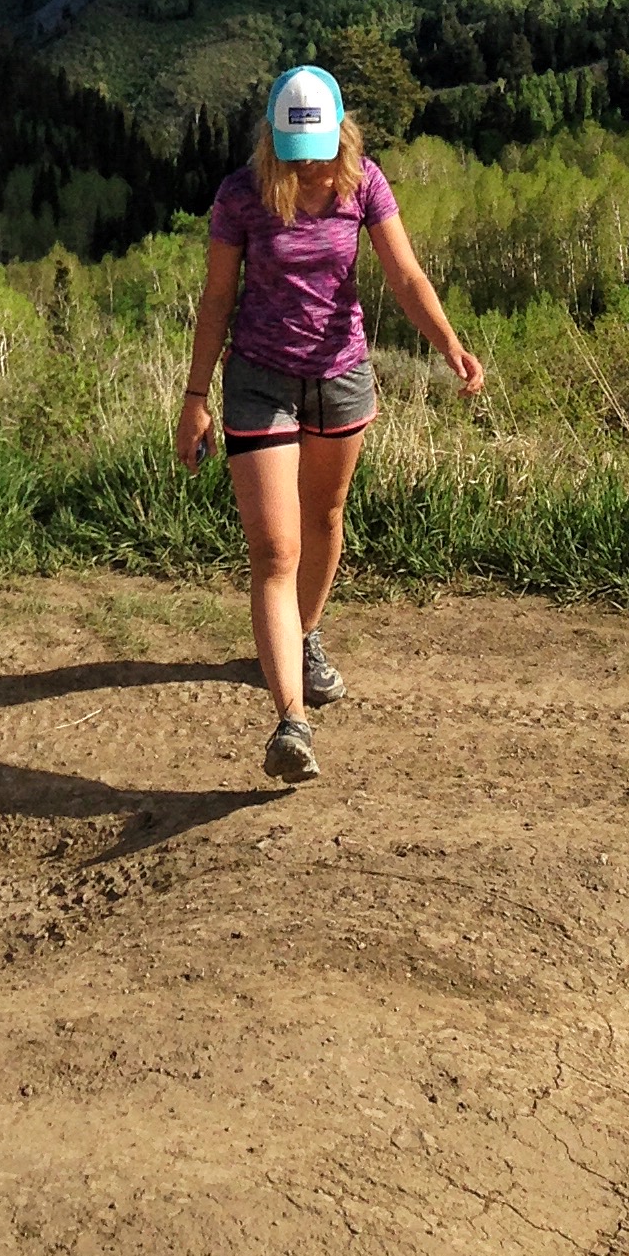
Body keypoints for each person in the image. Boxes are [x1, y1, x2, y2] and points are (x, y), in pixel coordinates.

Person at [175, 63, 484, 785]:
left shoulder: (365, 183)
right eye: (293, 148)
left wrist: (449, 345)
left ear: (340, 132)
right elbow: (218, 297)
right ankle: (292, 722)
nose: (306, 162)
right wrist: (195, 397)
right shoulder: (241, 195)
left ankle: (304, 636)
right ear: (274, 140)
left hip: (341, 377)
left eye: (314, 147)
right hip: (259, 381)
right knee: (276, 552)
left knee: (327, 517)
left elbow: (405, 275)